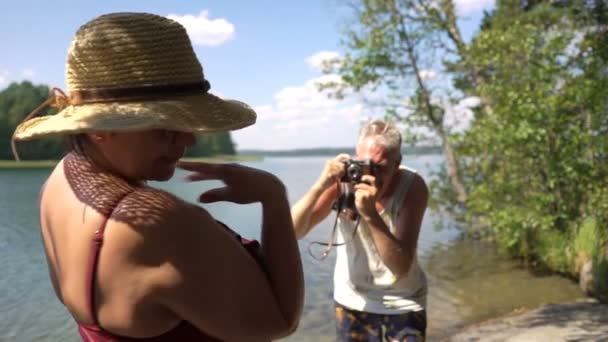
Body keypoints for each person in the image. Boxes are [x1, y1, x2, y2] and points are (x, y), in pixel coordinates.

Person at [11, 12, 303, 342]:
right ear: (99, 128)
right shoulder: (161, 224)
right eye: (166, 129)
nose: (189, 139)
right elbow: (279, 321)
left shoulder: (60, 182)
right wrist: (273, 196)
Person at [291, 119, 429, 341]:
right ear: (356, 157)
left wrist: (370, 215)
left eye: (381, 167)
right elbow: (292, 232)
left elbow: (400, 266)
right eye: (365, 164)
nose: (370, 175)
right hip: (353, 300)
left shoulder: (412, 186)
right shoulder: (345, 181)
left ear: (398, 163)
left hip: (404, 301)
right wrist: (320, 185)